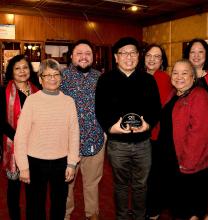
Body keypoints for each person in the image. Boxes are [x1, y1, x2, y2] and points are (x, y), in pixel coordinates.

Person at [95, 37, 161, 220]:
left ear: (138, 56)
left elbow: (156, 108)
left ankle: (140, 216)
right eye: (124, 53)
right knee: (121, 185)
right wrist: (111, 128)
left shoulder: (148, 80)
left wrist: (148, 124)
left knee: (141, 185)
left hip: (143, 143)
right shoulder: (105, 80)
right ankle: (122, 217)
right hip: (117, 145)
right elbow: (100, 110)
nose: (129, 57)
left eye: (133, 52)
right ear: (116, 57)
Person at [14, 59, 80, 220]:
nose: (52, 78)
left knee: (59, 205)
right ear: (40, 78)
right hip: (35, 162)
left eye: (56, 74)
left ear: (61, 77)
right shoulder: (31, 101)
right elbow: (21, 136)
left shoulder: (68, 101)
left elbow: (74, 133)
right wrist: (23, 167)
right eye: (47, 75)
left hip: (61, 162)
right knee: (35, 206)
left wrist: (72, 163)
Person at [159, 59, 208, 220]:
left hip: (191, 165)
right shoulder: (174, 94)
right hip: (174, 162)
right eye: (175, 73)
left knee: (191, 212)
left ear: (193, 76)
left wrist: (186, 164)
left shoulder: (199, 96)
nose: (179, 77)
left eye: (184, 73)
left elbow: (199, 135)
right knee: (180, 209)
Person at [60, 39, 105, 220]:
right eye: (79, 53)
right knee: (66, 183)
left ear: (93, 57)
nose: (83, 57)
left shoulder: (101, 77)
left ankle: (92, 215)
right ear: (71, 56)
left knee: (92, 184)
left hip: (95, 140)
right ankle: (65, 214)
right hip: (67, 142)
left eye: (88, 53)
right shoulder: (60, 77)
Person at [0, 54, 39, 220]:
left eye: (25, 67)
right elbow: (1, 121)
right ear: (11, 71)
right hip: (14, 145)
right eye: (17, 68)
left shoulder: (38, 89)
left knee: (34, 189)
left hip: (37, 146)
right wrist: (20, 138)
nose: (22, 71)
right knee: (14, 187)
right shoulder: (3, 92)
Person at [183, 38, 208, 203]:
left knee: (207, 173)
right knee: (187, 171)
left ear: (207, 55)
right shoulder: (182, 75)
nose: (196, 56)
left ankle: (202, 210)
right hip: (185, 133)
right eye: (192, 52)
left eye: (201, 52)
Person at [144, 44, 173, 220]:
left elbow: (160, 108)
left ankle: (153, 212)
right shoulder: (139, 76)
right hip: (140, 134)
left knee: (154, 175)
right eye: (149, 55)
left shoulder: (164, 78)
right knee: (143, 175)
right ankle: (147, 207)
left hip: (156, 135)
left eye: (157, 56)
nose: (152, 59)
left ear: (162, 61)